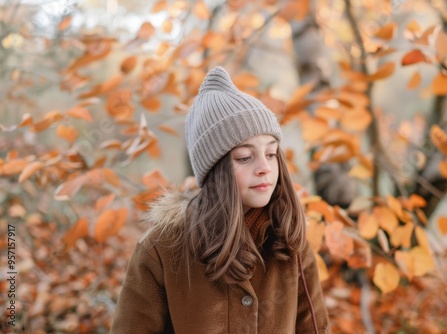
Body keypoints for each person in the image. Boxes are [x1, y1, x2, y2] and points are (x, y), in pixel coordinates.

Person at [111, 66, 329, 333]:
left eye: (271, 154)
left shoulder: (290, 244)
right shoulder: (161, 250)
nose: (265, 168)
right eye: (245, 157)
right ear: (215, 171)